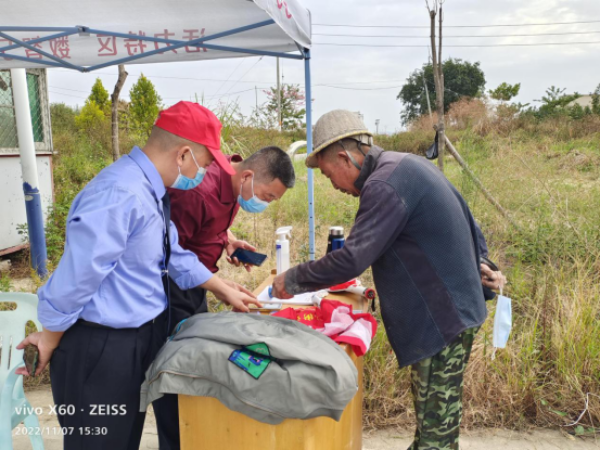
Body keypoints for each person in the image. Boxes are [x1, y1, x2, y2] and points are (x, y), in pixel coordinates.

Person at [16, 101, 261, 450]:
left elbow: (173, 253)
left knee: (123, 439)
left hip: (136, 340)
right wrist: (50, 338)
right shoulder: (119, 192)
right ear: (183, 155)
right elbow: (77, 278)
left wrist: (221, 287)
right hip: (100, 348)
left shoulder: (150, 190)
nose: (205, 174)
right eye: (206, 165)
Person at [271, 110, 500, 450]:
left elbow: (352, 259)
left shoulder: (383, 185)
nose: (333, 185)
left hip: (441, 322)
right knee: (432, 426)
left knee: (436, 438)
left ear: (344, 157)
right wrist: (481, 261)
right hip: (455, 312)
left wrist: (291, 279)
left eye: (328, 174)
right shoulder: (408, 165)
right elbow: (469, 220)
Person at [154, 145, 295, 450]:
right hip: (169, 292)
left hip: (197, 285)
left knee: (196, 368)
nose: (266, 203)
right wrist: (221, 287)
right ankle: (177, 441)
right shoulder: (197, 194)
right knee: (175, 373)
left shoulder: (231, 182)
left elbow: (206, 225)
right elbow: (169, 254)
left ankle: (195, 437)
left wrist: (227, 240)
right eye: (268, 196)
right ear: (247, 176)